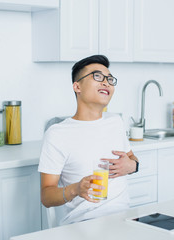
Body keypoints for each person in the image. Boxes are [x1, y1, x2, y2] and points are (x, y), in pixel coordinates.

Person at [38, 55, 139, 226]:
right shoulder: (57, 134)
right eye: (97, 77)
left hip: (125, 220)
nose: (106, 82)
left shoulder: (115, 122)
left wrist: (133, 166)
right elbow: (46, 197)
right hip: (84, 224)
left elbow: (132, 158)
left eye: (109, 79)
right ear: (77, 86)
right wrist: (76, 189)